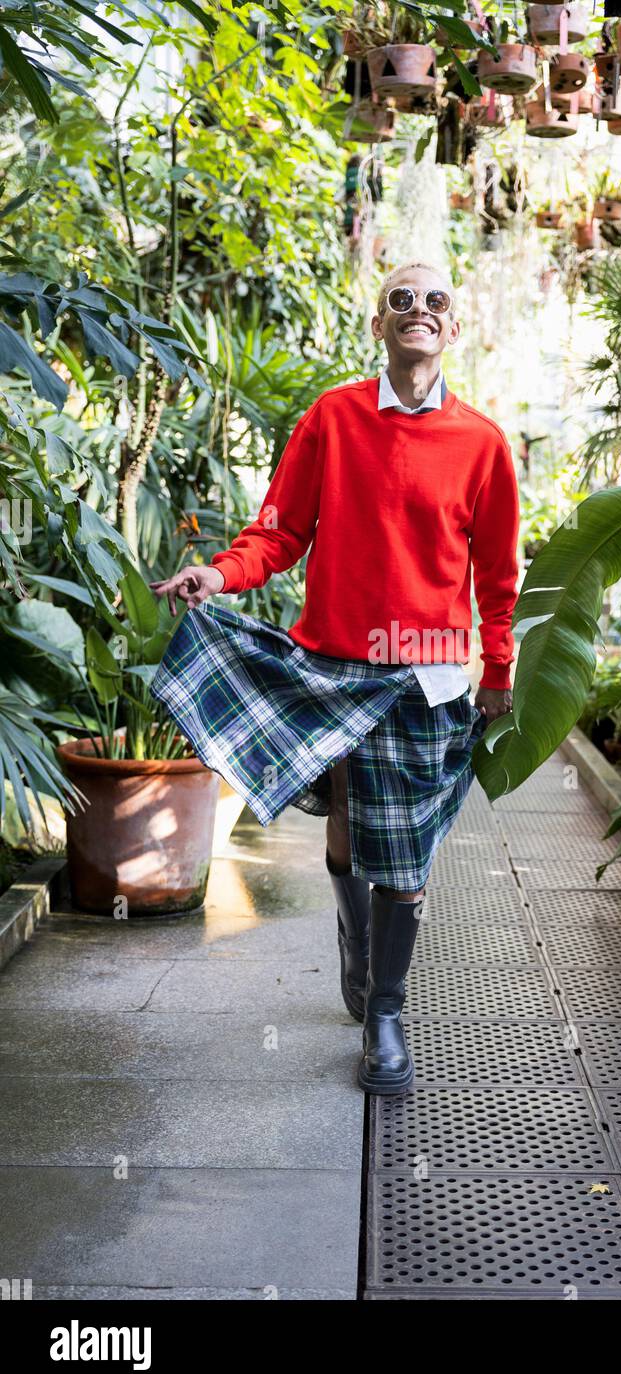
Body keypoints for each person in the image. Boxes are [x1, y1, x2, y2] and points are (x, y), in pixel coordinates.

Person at [149, 261, 520, 1095]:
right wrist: (220, 574)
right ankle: (357, 942)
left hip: (426, 679)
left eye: (435, 301)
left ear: (453, 328)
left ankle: (384, 1013)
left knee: (410, 855)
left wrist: (496, 670)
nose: (418, 311)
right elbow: (278, 533)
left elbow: (499, 576)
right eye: (401, 299)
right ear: (380, 325)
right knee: (348, 818)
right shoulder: (334, 418)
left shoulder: (483, 444)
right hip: (332, 667)